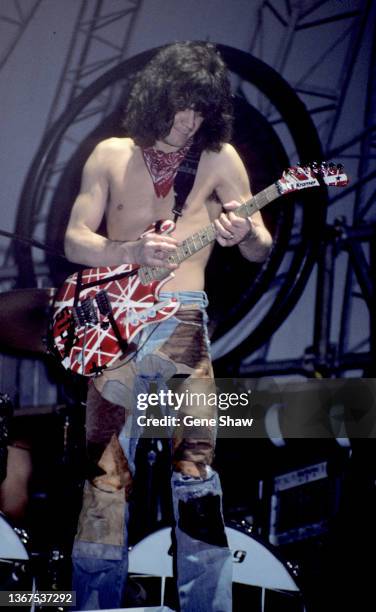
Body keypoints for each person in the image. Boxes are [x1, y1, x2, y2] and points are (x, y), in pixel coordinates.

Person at [64, 41, 272, 611]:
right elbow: (75, 239)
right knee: (105, 476)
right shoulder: (109, 153)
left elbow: (261, 247)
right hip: (119, 329)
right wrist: (129, 248)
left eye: (201, 109)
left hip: (185, 324)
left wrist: (245, 235)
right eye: (181, 106)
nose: (189, 121)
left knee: (196, 472)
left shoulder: (220, 158)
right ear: (158, 98)